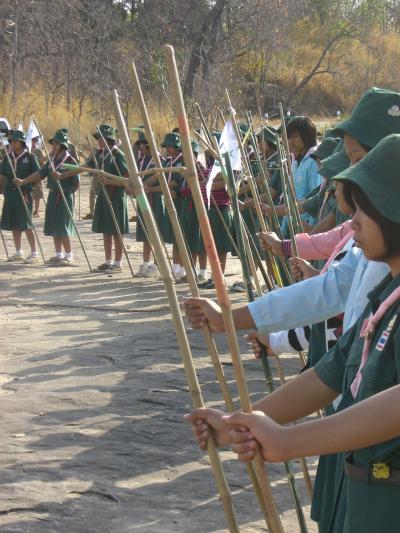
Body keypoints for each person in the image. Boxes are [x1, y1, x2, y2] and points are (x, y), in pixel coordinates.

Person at [186, 134, 400, 533]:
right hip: (367, 493)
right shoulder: (385, 296)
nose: (351, 221)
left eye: (365, 209)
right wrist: (239, 424)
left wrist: (289, 442)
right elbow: (331, 373)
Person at [17, 130, 80, 265]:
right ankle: (58, 254)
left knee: (62, 225)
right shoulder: (52, 160)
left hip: (64, 195)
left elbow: (76, 183)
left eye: (56, 143)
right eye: (53, 143)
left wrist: (67, 192)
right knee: (53, 224)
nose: (53, 145)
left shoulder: (70, 160)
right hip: (52, 194)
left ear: (62, 145)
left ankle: (69, 255)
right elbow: (40, 174)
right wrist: (23, 181)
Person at [90, 124, 129, 273]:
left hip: (116, 196)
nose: (99, 140)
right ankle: (108, 261)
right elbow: (88, 166)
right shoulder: (100, 154)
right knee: (106, 229)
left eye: (101, 138)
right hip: (104, 195)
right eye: (98, 138)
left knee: (116, 231)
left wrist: (109, 181)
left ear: (109, 139)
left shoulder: (118, 155)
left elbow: (126, 179)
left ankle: (118, 263)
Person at [0, 130, 40, 263]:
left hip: (24, 193)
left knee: (26, 223)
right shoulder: (7, 157)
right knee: (14, 223)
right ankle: (18, 252)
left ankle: (34, 253)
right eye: (10, 141)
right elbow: (2, 175)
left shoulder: (30, 157)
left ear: (21, 142)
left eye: (14, 141)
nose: (11, 143)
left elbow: (38, 175)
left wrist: (28, 185)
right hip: (10, 193)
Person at [134, 133, 159, 278]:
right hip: (143, 197)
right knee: (145, 232)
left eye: (143, 144)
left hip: (154, 198)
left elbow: (156, 177)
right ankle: (145, 263)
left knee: (155, 232)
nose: (141, 147)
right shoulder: (140, 160)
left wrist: (141, 186)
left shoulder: (157, 160)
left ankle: (156, 265)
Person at [31, 136, 45, 218]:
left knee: (37, 194)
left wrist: (41, 173)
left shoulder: (38, 151)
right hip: (29, 174)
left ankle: (36, 211)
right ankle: (30, 209)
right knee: (30, 193)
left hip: (37, 174)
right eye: (32, 140)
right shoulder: (27, 149)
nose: (33, 142)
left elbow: (43, 163)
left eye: (34, 140)